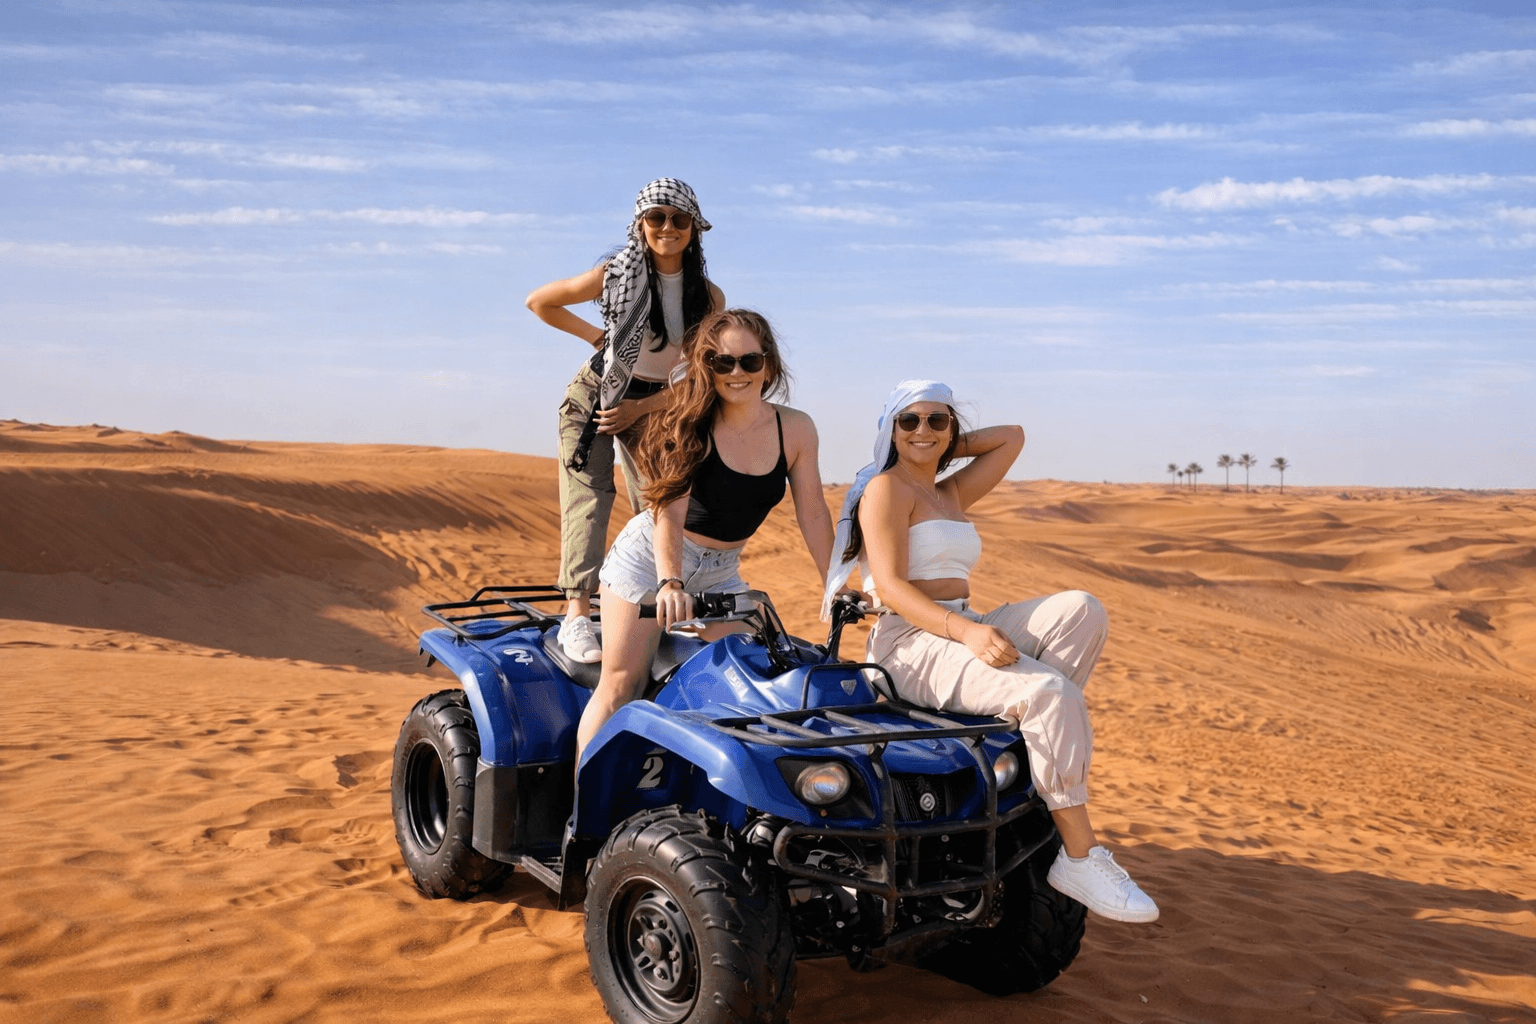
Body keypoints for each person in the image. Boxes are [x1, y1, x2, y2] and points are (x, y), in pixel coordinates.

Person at [821, 380, 1159, 924]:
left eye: (937, 421)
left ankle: (1034, 734)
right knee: (1049, 692)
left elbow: (1012, 437)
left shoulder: (949, 492)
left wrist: (943, 445)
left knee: (1082, 608)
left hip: (965, 622)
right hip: (911, 642)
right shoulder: (886, 489)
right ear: (890, 429)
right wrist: (967, 633)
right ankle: (1080, 855)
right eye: (909, 422)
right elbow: (893, 586)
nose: (923, 430)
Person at [575, 309, 837, 760]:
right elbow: (668, 517)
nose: (737, 373)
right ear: (707, 368)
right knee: (621, 685)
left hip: (721, 573)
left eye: (750, 362)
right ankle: (582, 814)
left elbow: (812, 511)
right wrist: (670, 581)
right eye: (723, 363)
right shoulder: (689, 425)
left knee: (763, 678)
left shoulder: (795, 429)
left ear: (768, 365)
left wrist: (836, 584)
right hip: (650, 563)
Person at [526, 178, 726, 665]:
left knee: (656, 507)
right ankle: (576, 615)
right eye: (656, 218)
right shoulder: (614, 273)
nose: (667, 228)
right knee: (589, 501)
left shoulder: (710, 298)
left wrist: (639, 410)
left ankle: (649, 613)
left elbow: (700, 376)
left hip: (655, 407)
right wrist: (598, 337)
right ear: (640, 225)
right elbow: (541, 302)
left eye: (679, 219)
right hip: (595, 396)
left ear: (694, 228)